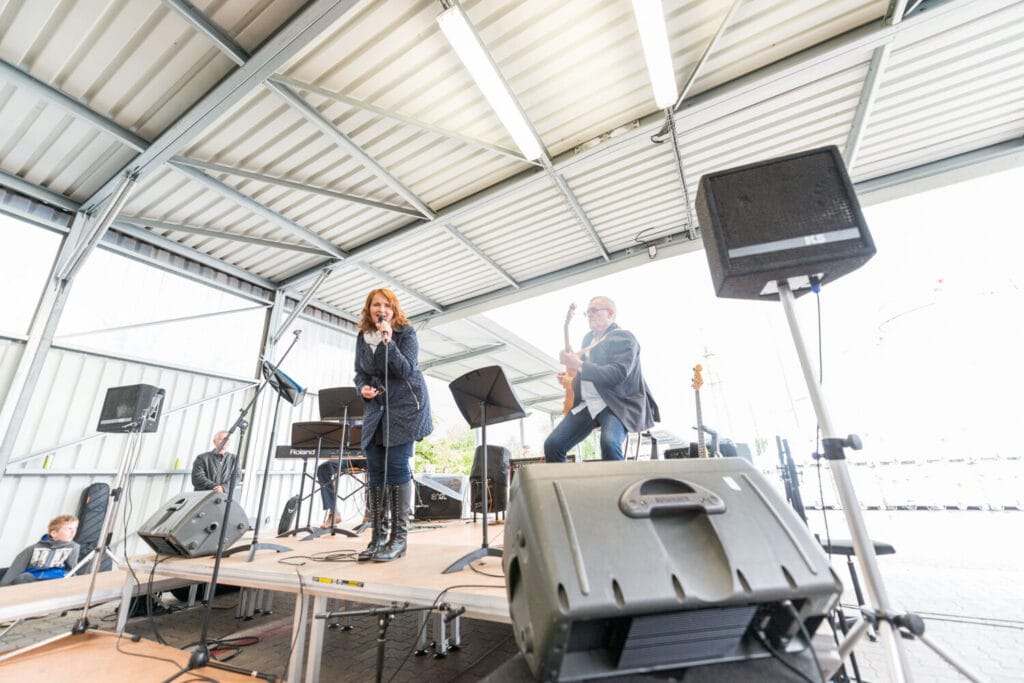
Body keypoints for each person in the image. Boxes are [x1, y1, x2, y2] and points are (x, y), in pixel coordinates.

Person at [354, 288, 432, 562]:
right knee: (375, 470)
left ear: (394, 309)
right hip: (377, 409)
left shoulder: (405, 333)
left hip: (405, 409)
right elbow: (360, 372)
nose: (381, 309)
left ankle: (399, 541)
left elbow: (406, 369)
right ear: (369, 309)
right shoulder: (363, 336)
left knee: (396, 467)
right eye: (376, 305)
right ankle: (377, 539)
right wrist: (361, 387)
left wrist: (389, 341)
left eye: (387, 305)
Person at [544, 296, 660, 462]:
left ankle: (619, 487)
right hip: (588, 404)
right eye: (587, 312)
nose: (589, 315)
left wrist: (578, 364)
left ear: (610, 313)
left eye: (594, 310)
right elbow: (585, 371)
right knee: (553, 445)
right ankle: (564, 487)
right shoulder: (588, 339)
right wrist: (570, 374)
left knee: (609, 443)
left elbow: (617, 373)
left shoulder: (625, 338)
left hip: (614, 404)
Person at [1, 515, 80, 585]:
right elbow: (16, 568)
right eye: (69, 528)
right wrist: (3, 587)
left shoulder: (73, 547)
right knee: (23, 577)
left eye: (75, 528)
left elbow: (72, 569)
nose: (73, 531)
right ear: (54, 533)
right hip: (34, 579)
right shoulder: (33, 548)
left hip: (56, 579)